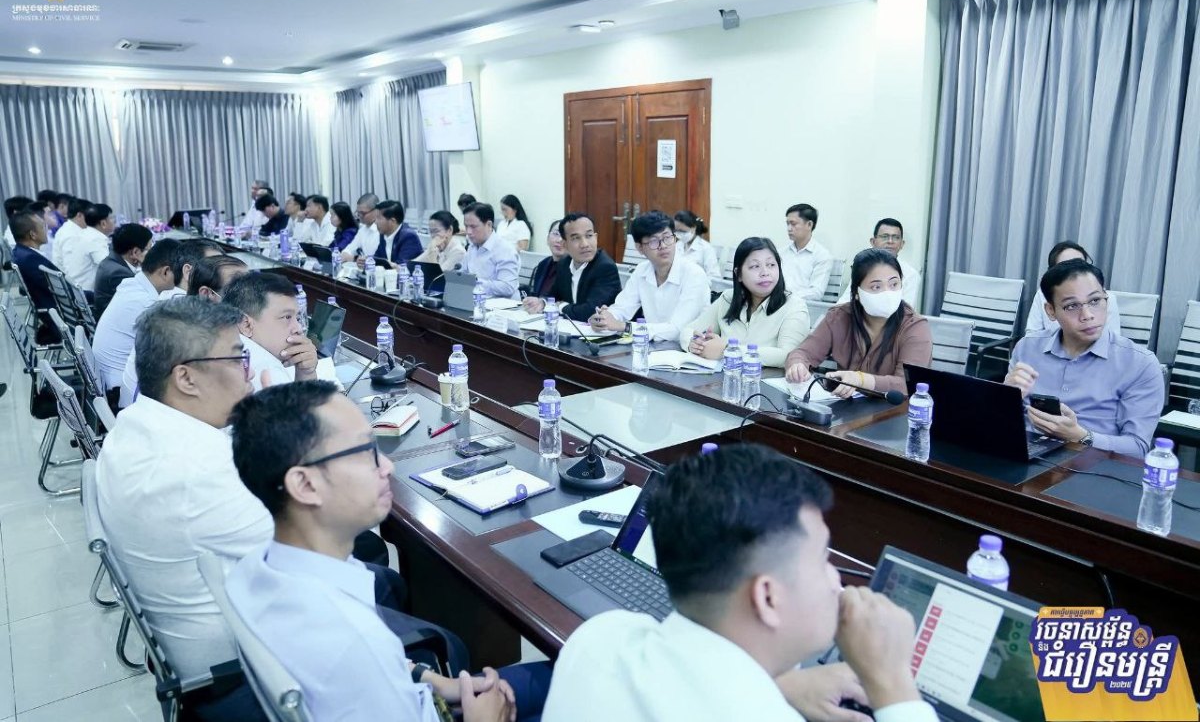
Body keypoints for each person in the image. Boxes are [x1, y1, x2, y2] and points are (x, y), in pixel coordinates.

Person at [226, 382, 553, 722]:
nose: (387, 466)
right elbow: (364, 661)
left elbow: (376, 672)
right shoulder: (353, 641)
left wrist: (435, 682)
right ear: (305, 485)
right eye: (366, 452)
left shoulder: (255, 570)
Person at [542, 443, 937, 722]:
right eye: (823, 560)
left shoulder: (600, 638)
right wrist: (892, 682)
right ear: (767, 597)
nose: (837, 581)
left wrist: (780, 686)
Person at [97, 298, 272, 721]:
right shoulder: (200, 470)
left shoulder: (133, 427)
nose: (249, 372)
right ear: (187, 378)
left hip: (195, 654)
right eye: (238, 358)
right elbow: (315, 558)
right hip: (248, 675)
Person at [1004, 260, 1162, 458]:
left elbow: (1138, 448)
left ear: (1106, 300)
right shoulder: (1028, 348)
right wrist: (1005, 398)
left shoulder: (1140, 363)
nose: (1087, 315)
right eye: (1072, 306)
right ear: (1051, 311)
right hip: (1025, 456)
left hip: (1095, 465)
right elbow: (1002, 422)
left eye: (1095, 301)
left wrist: (1080, 436)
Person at [785, 249, 932, 397]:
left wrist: (860, 380)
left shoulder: (915, 327)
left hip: (892, 408)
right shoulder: (839, 317)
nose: (887, 293)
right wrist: (798, 366)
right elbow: (802, 353)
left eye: (894, 284)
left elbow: (907, 384)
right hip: (844, 406)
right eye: (876, 287)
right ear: (856, 293)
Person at [117, 241, 223, 407]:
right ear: (188, 272)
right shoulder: (183, 314)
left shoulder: (171, 300)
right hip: (144, 409)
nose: (221, 278)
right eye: (214, 269)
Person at [679, 237, 809, 367]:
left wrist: (728, 350)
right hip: (724, 376)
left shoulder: (794, 306)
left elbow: (789, 355)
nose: (765, 273)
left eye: (771, 265)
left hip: (764, 378)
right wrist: (694, 344)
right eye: (755, 266)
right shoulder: (727, 299)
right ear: (739, 274)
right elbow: (689, 330)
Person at [590, 211, 710, 342]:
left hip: (689, 349)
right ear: (640, 248)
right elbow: (622, 308)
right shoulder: (641, 271)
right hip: (653, 346)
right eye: (654, 241)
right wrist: (605, 318)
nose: (663, 246)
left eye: (667, 237)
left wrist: (624, 327)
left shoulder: (694, 274)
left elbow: (676, 330)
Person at [93, 239, 181, 392]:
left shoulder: (131, 285)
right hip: (119, 389)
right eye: (181, 274)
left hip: (105, 380)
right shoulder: (146, 303)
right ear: (166, 272)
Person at [221, 271, 319, 390]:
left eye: (297, 318)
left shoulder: (223, 344)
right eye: (287, 317)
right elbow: (311, 403)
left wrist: (305, 373)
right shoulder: (267, 369)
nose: (298, 329)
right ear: (246, 325)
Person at [522, 213, 620, 322]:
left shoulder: (605, 267)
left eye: (589, 236)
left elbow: (591, 312)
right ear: (565, 244)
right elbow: (554, 294)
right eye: (576, 238)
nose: (585, 244)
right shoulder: (564, 263)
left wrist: (561, 306)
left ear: (596, 238)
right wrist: (542, 302)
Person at [1024, 241, 1122, 336]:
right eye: (1066, 268)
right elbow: (1032, 334)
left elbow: (1113, 339)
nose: (1075, 273)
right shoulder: (1042, 295)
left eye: (1080, 265)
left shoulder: (1106, 298)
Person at [836, 219, 922, 309]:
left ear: (902, 244)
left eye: (896, 237)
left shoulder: (911, 275)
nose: (890, 241)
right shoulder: (863, 267)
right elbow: (845, 300)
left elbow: (906, 311)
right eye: (885, 237)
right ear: (873, 242)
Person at [9, 208, 61, 344]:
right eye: (43, 226)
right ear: (32, 234)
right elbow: (64, 292)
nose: (46, 229)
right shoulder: (31, 260)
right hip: (61, 320)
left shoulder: (21, 253)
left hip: (54, 313)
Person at [461, 202, 520, 300]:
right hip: (476, 301)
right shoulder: (472, 247)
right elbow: (464, 273)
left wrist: (476, 282)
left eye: (473, 227)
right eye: (466, 226)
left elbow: (508, 287)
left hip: (502, 305)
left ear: (489, 225)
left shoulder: (504, 249)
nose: (468, 232)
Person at [93, 223, 152, 318]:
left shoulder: (111, 260)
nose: (151, 254)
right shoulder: (120, 274)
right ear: (135, 252)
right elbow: (142, 305)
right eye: (149, 250)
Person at [780, 203, 833, 302]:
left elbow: (816, 292)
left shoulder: (822, 256)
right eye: (787, 224)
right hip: (776, 304)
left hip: (803, 306)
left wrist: (785, 297)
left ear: (809, 225)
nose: (789, 228)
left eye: (793, 224)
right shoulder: (781, 253)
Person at [61, 202, 115, 292]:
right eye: (112, 218)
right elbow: (109, 268)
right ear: (103, 223)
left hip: (75, 289)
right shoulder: (95, 239)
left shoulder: (84, 234)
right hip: (86, 293)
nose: (114, 222)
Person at [673, 210, 722, 279]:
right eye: (677, 231)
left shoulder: (706, 249)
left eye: (682, 231)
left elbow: (714, 276)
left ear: (693, 228)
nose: (679, 234)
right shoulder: (678, 245)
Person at [527, 220, 565, 297]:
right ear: (547, 239)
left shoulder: (575, 268)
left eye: (564, 236)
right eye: (556, 234)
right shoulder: (543, 264)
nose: (559, 240)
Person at [340, 192, 381, 261]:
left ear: (376, 211)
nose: (360, 216)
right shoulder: (363, 229)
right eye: (358, 212)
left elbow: (375, 259)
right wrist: (345, 254)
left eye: (363, 213)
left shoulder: (382, 230)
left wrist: (354, 258)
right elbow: (350, 249)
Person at [51, 197, 89, 269]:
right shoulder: (71, 235)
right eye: (89, 215)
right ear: (79, 215)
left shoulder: (70, 228)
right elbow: (72, 268)